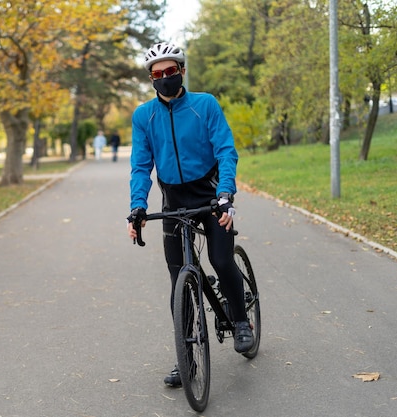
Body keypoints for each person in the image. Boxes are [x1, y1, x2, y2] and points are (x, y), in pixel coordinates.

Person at [126, 42, 254, 388]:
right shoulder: (144, 116)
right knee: (179, 279)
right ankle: (187, 359)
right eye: (157, 74)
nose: (165, 78)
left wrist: (226, 194)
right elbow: (141, 167)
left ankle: (241, 322)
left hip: (211, 195)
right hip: (174, 201)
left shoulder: (204, 105)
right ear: (151, 79)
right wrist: (137, 207)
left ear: (181, 71)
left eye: (171, 71)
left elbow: (226, 150)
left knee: (221, 259)